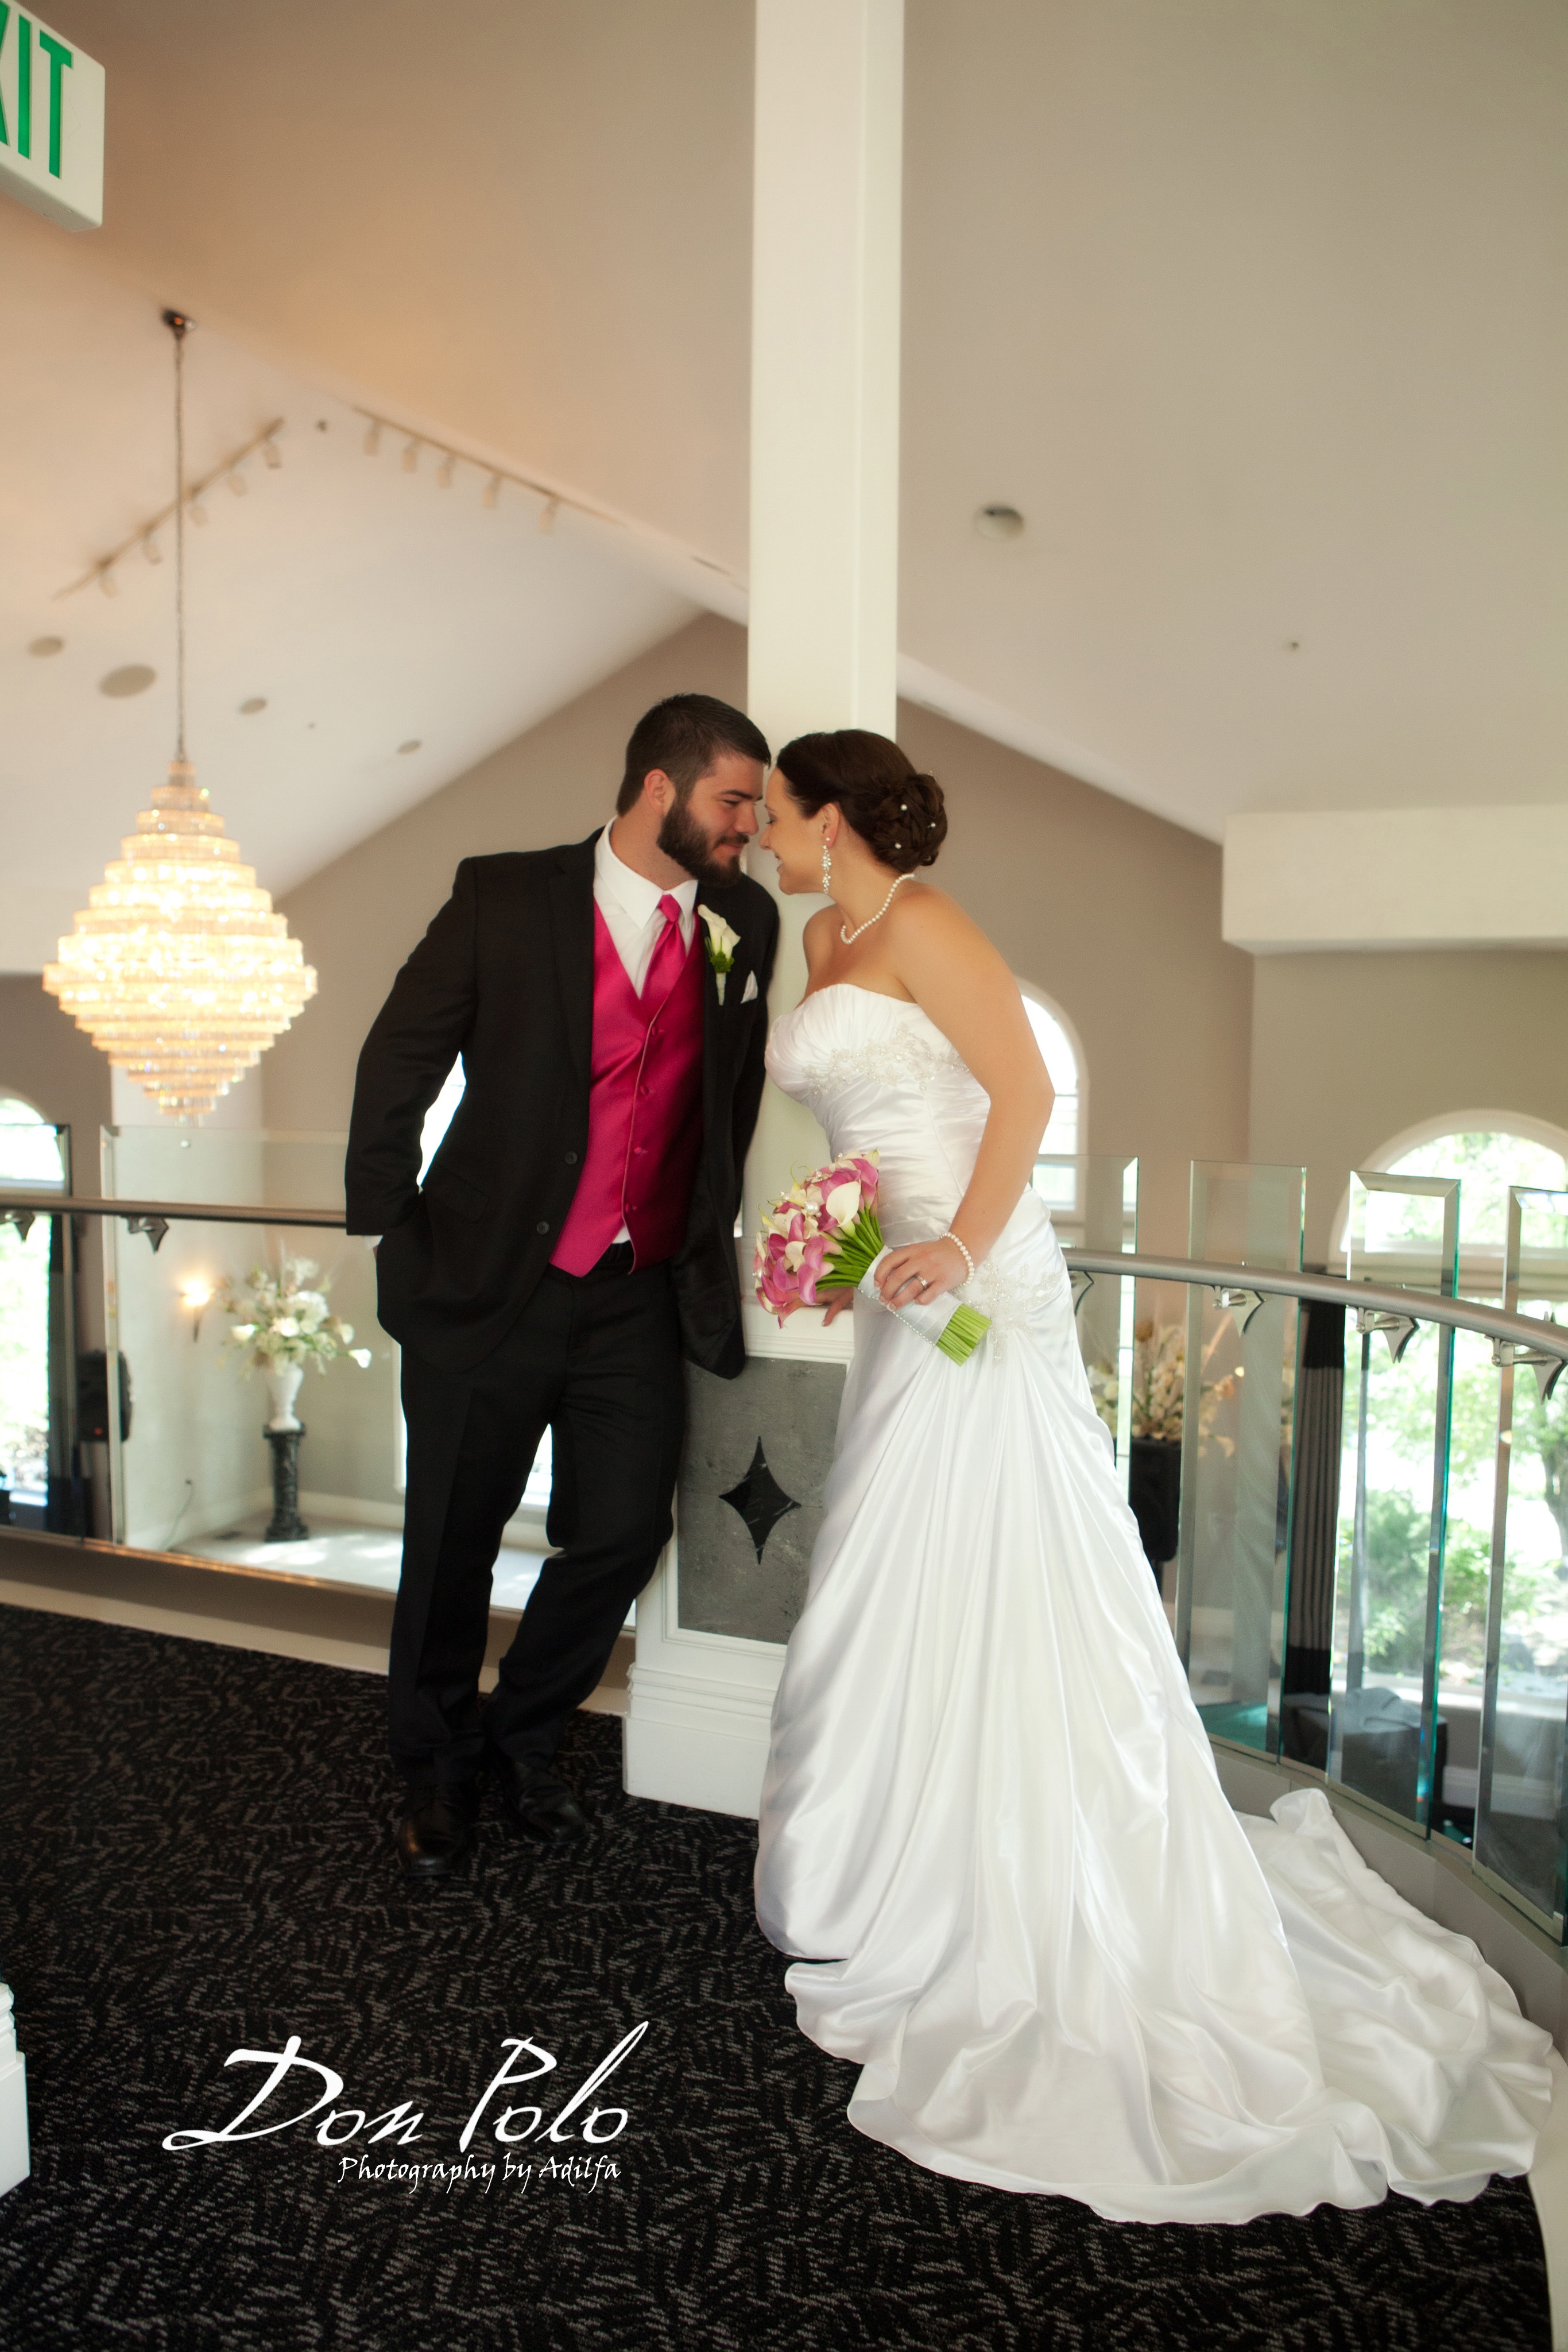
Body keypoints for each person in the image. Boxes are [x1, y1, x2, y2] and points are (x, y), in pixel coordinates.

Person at [753, 728, 1550, 2225]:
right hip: (895, 1285)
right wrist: (851, 1239)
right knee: (895, 1558)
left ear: (835, 814)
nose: (762, 839)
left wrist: (952, 1249)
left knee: (999, 1551)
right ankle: (900, 1867)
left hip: (979, 1280)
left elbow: (1021, 1100)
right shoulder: (821, 933)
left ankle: (1024, 1878)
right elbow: (873, 1117)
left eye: (777, 817)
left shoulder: (922, 920)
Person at [346, 693, 779, 1878]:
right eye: (734, 799)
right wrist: (395, 1229)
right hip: (490, 1281)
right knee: (451, 1542)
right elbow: (399, 1056)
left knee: (623, 1530)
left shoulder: (744, 918)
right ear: (658, 789)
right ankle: (430, 1767)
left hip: (637, 1290)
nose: (754, 823)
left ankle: (519, 1735)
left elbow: (723, 1098)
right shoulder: (505, 894)